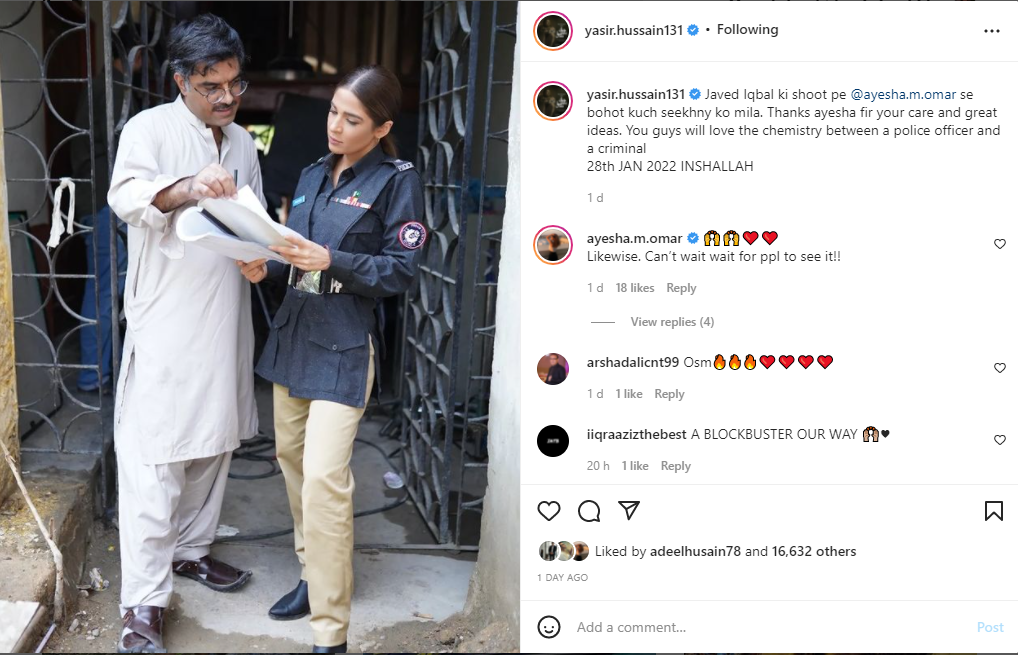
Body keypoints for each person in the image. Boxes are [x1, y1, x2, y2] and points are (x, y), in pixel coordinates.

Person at [241, 65, 425, 654]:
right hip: (295, 337)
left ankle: (331, 632)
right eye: (333, 112)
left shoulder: (396, 182)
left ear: (382, 128)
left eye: (352, 119)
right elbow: (295, 257)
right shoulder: (312, 173)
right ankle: (311, 574)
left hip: (345, 343)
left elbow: (401, 270)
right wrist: (267, 267)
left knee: (324, 477)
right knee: (293, 464)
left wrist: (333, 261)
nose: (336, 126)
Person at [107, 14, 260, 653]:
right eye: (211, 86)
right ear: (180, 81)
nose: (226, 97)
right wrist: (188, 187)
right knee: (157, 454)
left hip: (224, 311)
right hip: (167, 316)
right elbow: (127, 197)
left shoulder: (243, 142)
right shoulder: (149, 129)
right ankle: (143, 602)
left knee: (214, 440)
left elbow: (249, 215)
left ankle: (192, 550)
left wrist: (259, 253)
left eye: (234, 83)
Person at [72, 26, 140, 393]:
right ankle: (93, 375)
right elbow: (125, 150)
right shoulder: (113, 89)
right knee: (106, 289)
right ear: (131, 57)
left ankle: (97, 372)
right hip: (106, 200)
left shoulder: (100, 86)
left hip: (96, 197)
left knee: (103, 287)